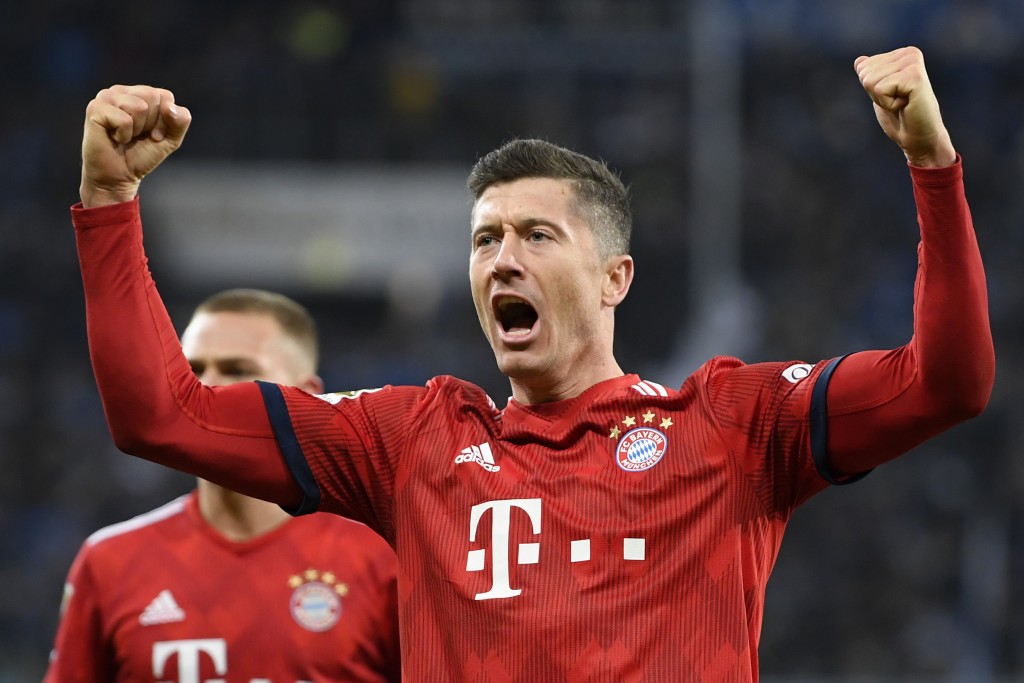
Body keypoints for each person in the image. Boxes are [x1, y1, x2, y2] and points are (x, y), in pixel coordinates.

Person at [70, 46, 993, 681]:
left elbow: (947, 382)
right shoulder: (413, 441)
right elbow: (163, 414)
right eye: (485, 240)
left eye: (537, 235)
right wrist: (109, 200)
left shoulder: (730, 427)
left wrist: (932, 164)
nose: (502, 259)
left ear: (614, 278)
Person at [44, 289, 401, 682]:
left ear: (307, 396)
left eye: (236, 370)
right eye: (192, 370)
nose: (202, 389)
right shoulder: (110, 562)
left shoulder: (384, 560)